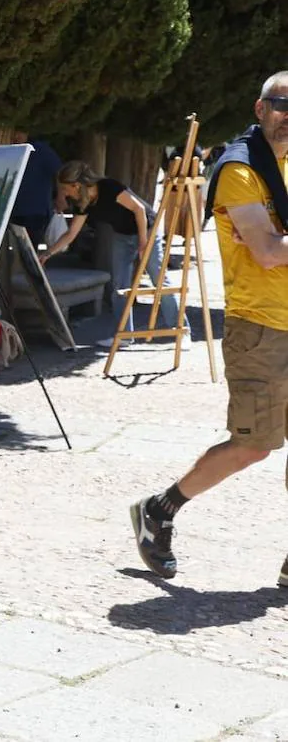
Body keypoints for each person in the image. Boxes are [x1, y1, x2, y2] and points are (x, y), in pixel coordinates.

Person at [130, 71, 288, 587]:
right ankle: (161, 507)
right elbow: (267, 253)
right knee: (253, 445)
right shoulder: (240, 168)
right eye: (281, 105)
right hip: (262, 329)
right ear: (260, 107)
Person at [44, 161, 186, 349]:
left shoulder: (109, 187)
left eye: (65, 189)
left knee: (158, 278)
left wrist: (143, 243)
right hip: (123, 235)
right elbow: (71, 234)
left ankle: (181, 330)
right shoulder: (83, 202)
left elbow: (139, 210)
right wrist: (48, 253)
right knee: (119, 286)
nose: (64, 194)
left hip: (147, 229)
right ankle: (125, 335)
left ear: (76, 185)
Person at [9, 131, 63, 249]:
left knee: (29, 247)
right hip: (14, 208)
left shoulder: (41, 150)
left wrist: (60, 196)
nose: (16, 136)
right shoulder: (12, 151)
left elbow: (60, 173)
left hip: (36, 210)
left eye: (20, 132)